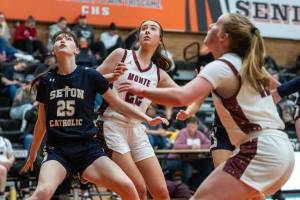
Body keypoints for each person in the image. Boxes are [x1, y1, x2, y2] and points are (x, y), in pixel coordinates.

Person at [119, 13, 295, 199]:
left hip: (261, 149)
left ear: (223, 37)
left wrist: (141, 90)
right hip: (280, 150)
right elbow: (275, 87)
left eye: (216, 24)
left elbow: (182, 97)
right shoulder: (245, 64)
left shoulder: (222, 65)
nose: (210, 25)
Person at [21, 30, 168, 200]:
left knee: (128, 187)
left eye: (67, 39)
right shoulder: (46, 81)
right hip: (58, 151)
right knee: (42, 192)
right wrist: (32, 156)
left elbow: (119, 104)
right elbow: (41, 123)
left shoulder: (90, 75)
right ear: (53, 50)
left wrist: (148, 119)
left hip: (88, 150)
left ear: (77, 50)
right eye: (58, 39)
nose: (62, 40)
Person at [96, 20, 180, 200]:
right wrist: (111, 77)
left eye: (153, 28)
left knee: (161, 192)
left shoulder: (159, 74)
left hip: (137, 129)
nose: (147, 31)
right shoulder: (121, 55)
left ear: (160, 39)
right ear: (138, 36)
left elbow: (181, 96)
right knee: (138, 189)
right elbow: (90, 80)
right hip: (112, 125)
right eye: (144, 29)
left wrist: (202, 80)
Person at [167, 116, 212, 189]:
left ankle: (196, 187)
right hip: (178, 158)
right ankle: (185, 189)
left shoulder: (199, 133)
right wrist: (190, 146)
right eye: (190, 124)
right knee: (187, 168)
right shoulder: (183, 132)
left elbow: (209, 144)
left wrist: (199, 146)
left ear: (197, 126)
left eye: (195, 124)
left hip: (192, 158)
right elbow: (177, 146)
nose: (193, 126)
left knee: (208, 164)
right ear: (187, 125)